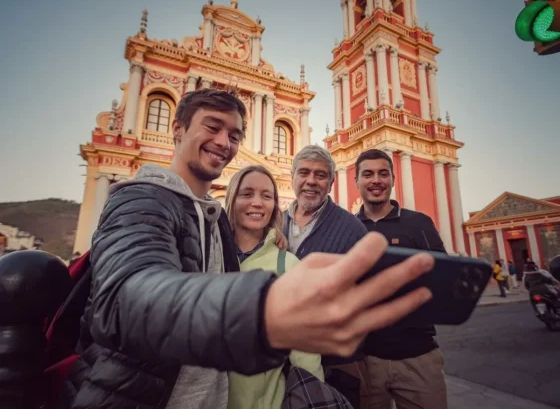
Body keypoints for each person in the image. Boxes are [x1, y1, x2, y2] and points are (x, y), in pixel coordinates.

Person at [59, 89, 435, 409]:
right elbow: (125, 299)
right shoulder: (142, 200)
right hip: (135, 396)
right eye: (212, 126)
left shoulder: (214, 221)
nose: (224, 142)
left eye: (235, 135)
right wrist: (264, 312)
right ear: (177, 129)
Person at [332, 149, 448, 409]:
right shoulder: (348, 228)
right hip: (365, 361)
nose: (376, 180)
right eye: (368, 174)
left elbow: (442, 276)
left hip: (418, 357)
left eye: (383, 174)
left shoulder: (419, 223)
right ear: (357, 182)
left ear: (393, 179)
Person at [224, 165, 323, 409]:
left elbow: (305, 352)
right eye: (246, 194)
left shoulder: (288, 265)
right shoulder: (209, 256)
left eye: (266, 196)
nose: (257, 203)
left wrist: (314, 397)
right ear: (231, 199)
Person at [282, 145, 369, 406]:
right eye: (304, 173)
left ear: (331, 183)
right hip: (281, 356)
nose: (311, 181)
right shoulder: (274, 222)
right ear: (293, 177)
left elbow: (364, 292)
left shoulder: (351, 228)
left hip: (336, 361)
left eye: (320, 176)